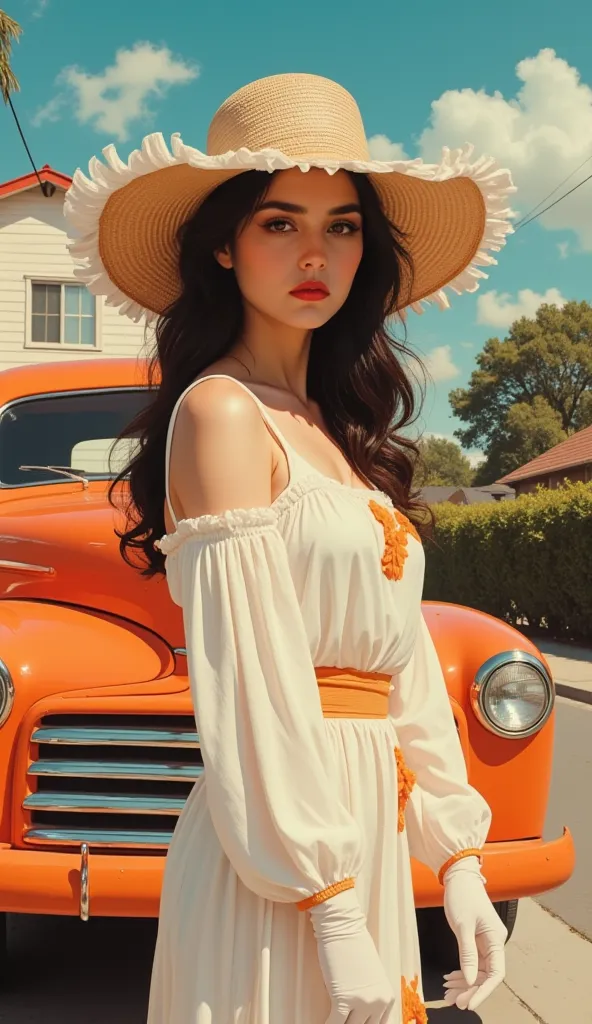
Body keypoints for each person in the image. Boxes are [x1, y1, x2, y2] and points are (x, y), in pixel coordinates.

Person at [65, 72, 515, 1024]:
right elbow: (252, 678)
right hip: (281, 873)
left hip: (367, 843)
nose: (316, 251)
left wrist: (461, 859)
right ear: (224, 244)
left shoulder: (339, 437)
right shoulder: (222, 413)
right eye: (280, 222)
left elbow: (404, 666)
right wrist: (328, 902)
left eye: (343, 224)